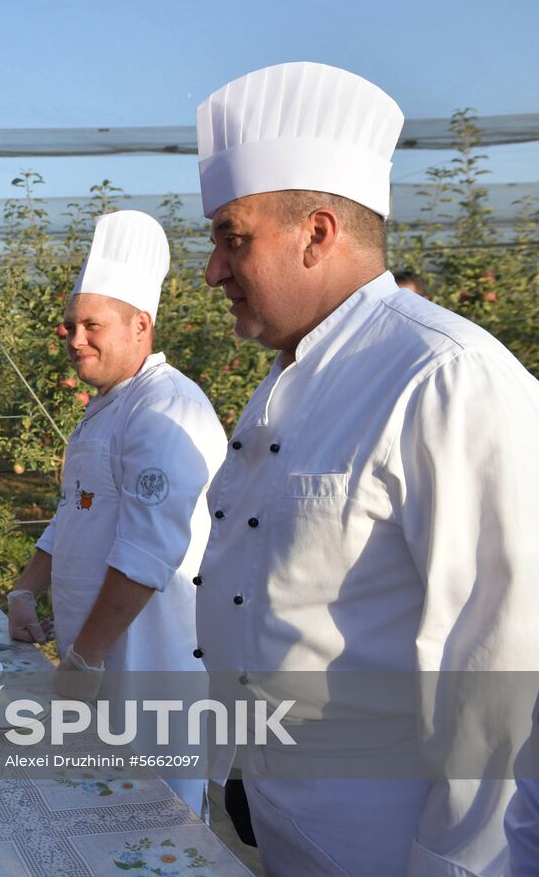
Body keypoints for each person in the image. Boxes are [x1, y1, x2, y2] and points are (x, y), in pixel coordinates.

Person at [193, 61, 539, 875]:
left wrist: (457, 863)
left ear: (317, 232)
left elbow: (503, 660)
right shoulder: (288, 379)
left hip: (386, 845)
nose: (213, 271)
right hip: (280, 811)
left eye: (231, 238)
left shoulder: (445, 376)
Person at [6, 209, 227, 815]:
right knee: (103, 815)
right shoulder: (106, 406)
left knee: (158, 818)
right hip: (99, 656)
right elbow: (74, 510)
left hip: (144, 661)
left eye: (92, 325)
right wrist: (25, 590)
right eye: (70, 326)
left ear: (140, 324)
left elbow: (148, 550)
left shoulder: (164, 410)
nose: (75, 339)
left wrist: (84, 656)